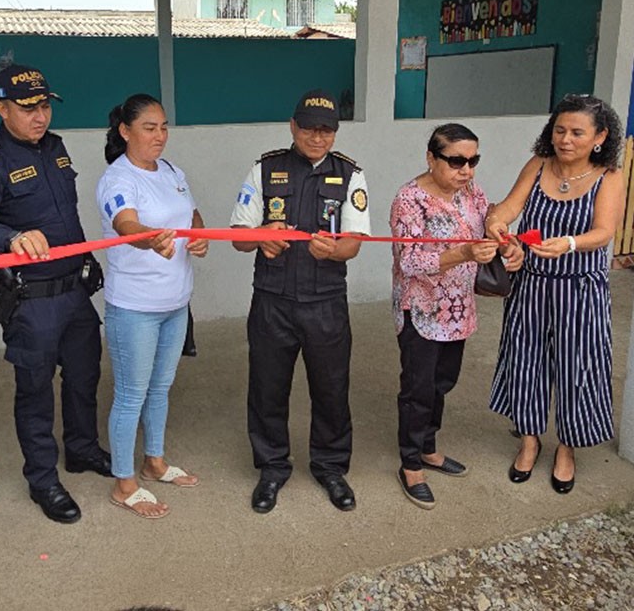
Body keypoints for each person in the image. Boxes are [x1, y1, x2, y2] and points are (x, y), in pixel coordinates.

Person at [0, 64, 111, 525]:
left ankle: (82, 449)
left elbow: (66, 216)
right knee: (35, 392)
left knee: (84, 376)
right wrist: (11, 238)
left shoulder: (55, 148)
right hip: (33, 300)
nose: (39, 116)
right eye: (27, 109)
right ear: (1, 109)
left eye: (44, 106)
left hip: (74, 290)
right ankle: (43, 478)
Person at [230, 89, 370, 514]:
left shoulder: (350, 174)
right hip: (272, 301)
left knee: (331, 389)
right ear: (293, 126)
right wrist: (261, 238)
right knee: (267, 388)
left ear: (335, 132)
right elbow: (238, 236)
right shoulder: (265, 169)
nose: (317, 137)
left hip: (325, 302)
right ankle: (272, 467)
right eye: (309, 128)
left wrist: (335, 251)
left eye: (326, 130)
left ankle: (331, 467)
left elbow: (354, 242)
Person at [486, 93, 624, 494]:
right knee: (525, 362)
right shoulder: (538, 164)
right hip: (530, 285)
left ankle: (567, 448)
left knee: (577, 368)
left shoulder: (608, 176)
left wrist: (569, 244)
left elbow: (604, 233)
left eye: (577, 133)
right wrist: (497, 226)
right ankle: (529, 441)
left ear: (600, 137)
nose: (565, 139)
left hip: (580, 289)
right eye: (559, 130)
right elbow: (508, 209)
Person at [389, 124, 523, 509]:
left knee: (442, 382)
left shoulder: (471, 192)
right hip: (422, 309)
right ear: (431, 159)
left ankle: (428, 447)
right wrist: (462, 254)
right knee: (418, 388)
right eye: (456, 161)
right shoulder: (410, 199)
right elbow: (409, 261)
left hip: (458, 308)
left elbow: (488, 225)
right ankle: (410, 464)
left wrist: (507, 244)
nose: (466, 170)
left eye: (473, 161)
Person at [96, 94, 208, 519]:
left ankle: (154, 462)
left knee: (160, 387)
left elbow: (192, 214)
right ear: (125, 131)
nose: (159, 136)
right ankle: (124, 483)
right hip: (134, 306)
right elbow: (125, 224)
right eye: (149, 128)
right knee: (131, 395)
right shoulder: (117, 178)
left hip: (175, 302)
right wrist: (150, 239)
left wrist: (198, 237)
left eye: (163, 127)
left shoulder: (172, 171)